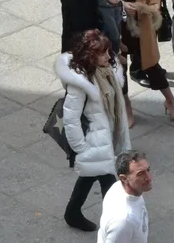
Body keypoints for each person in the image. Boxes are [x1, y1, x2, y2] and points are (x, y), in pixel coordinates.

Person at [55, 30, 129, 232]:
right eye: (102, 53)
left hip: (107, 137)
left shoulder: (107, 72)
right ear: (90, 56)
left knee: (89, 175)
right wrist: (81, 148)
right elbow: (70, 118)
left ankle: (72, 213)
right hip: (94, 141)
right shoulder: (80, 83)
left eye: (108, 51)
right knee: (110, 183)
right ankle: (117, 227)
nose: (108, 56)